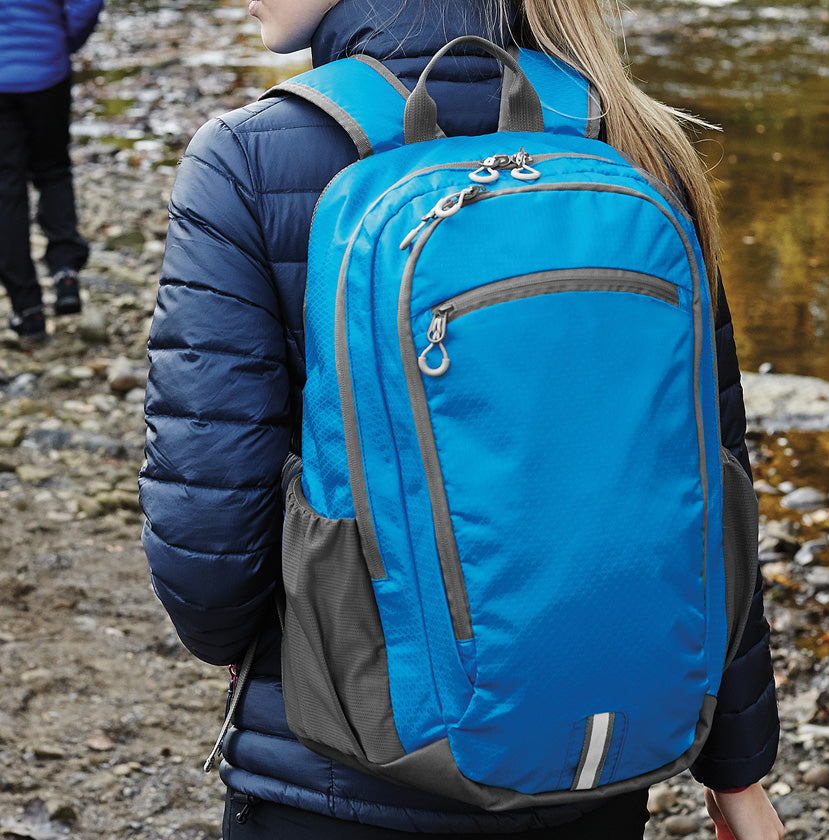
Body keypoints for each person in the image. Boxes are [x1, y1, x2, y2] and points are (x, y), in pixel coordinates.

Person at [139, 1, 785, 837]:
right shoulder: (628, 132)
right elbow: (711, 489)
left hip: (346, 770)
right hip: (596, 762)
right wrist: (738, 769)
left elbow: (208, 557)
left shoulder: (245, 158)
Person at [0, 0, 103, 347]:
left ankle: (28, 311)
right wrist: (62, 39)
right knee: (54, 170)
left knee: (6, 190)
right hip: (46, 66)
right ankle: (65, 273)